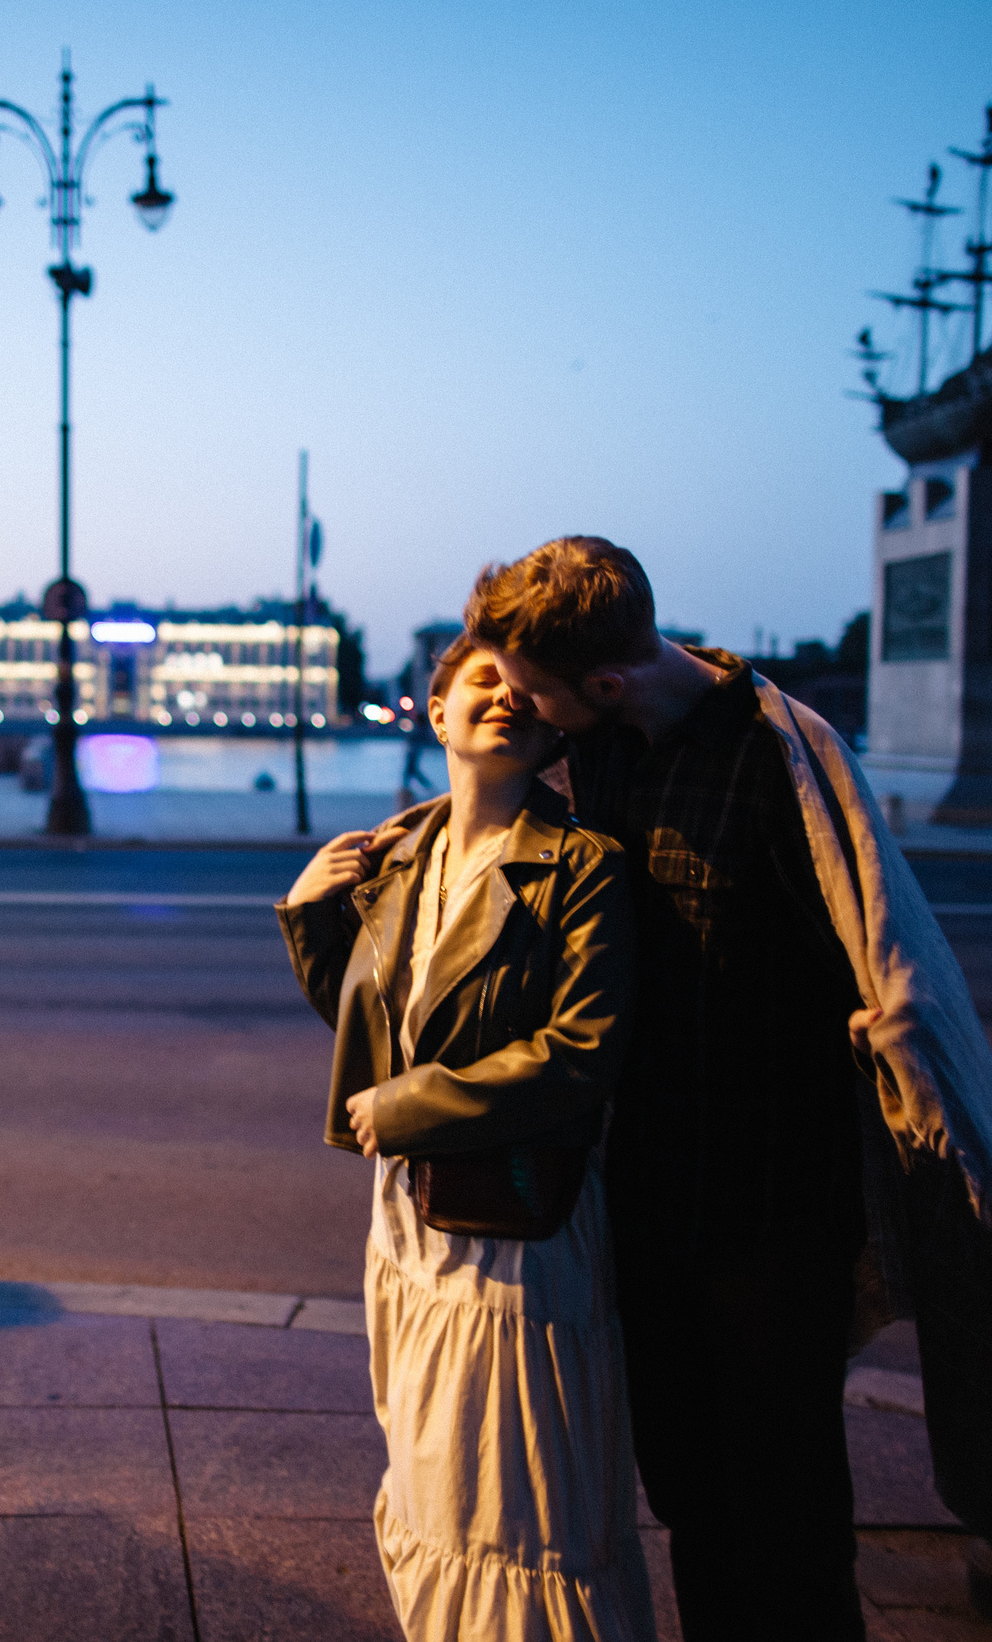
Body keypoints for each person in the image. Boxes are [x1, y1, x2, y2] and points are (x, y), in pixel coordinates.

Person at [460, 536, 992, 1642]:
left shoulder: (779, 758)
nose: (525, 710)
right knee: (688, 1485)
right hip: (647, 1192)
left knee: (785, 1497)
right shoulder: (596, 747)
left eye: (536, 693)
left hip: (773, 1207)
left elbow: (879, 954)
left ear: (604, 682)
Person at [278, 636, 656, 1642]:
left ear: (555, 728)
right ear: (436, 711)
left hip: (516, 1228)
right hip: (410, 1223)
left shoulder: (581, 865)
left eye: (526, 688)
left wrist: (409, 1110)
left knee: (517, 1501)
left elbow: (583, 1052)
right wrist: (310, 911)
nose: (504, 699)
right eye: (481, 681)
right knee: (434, 1482)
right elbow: (385, 1033)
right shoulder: (406, 855)